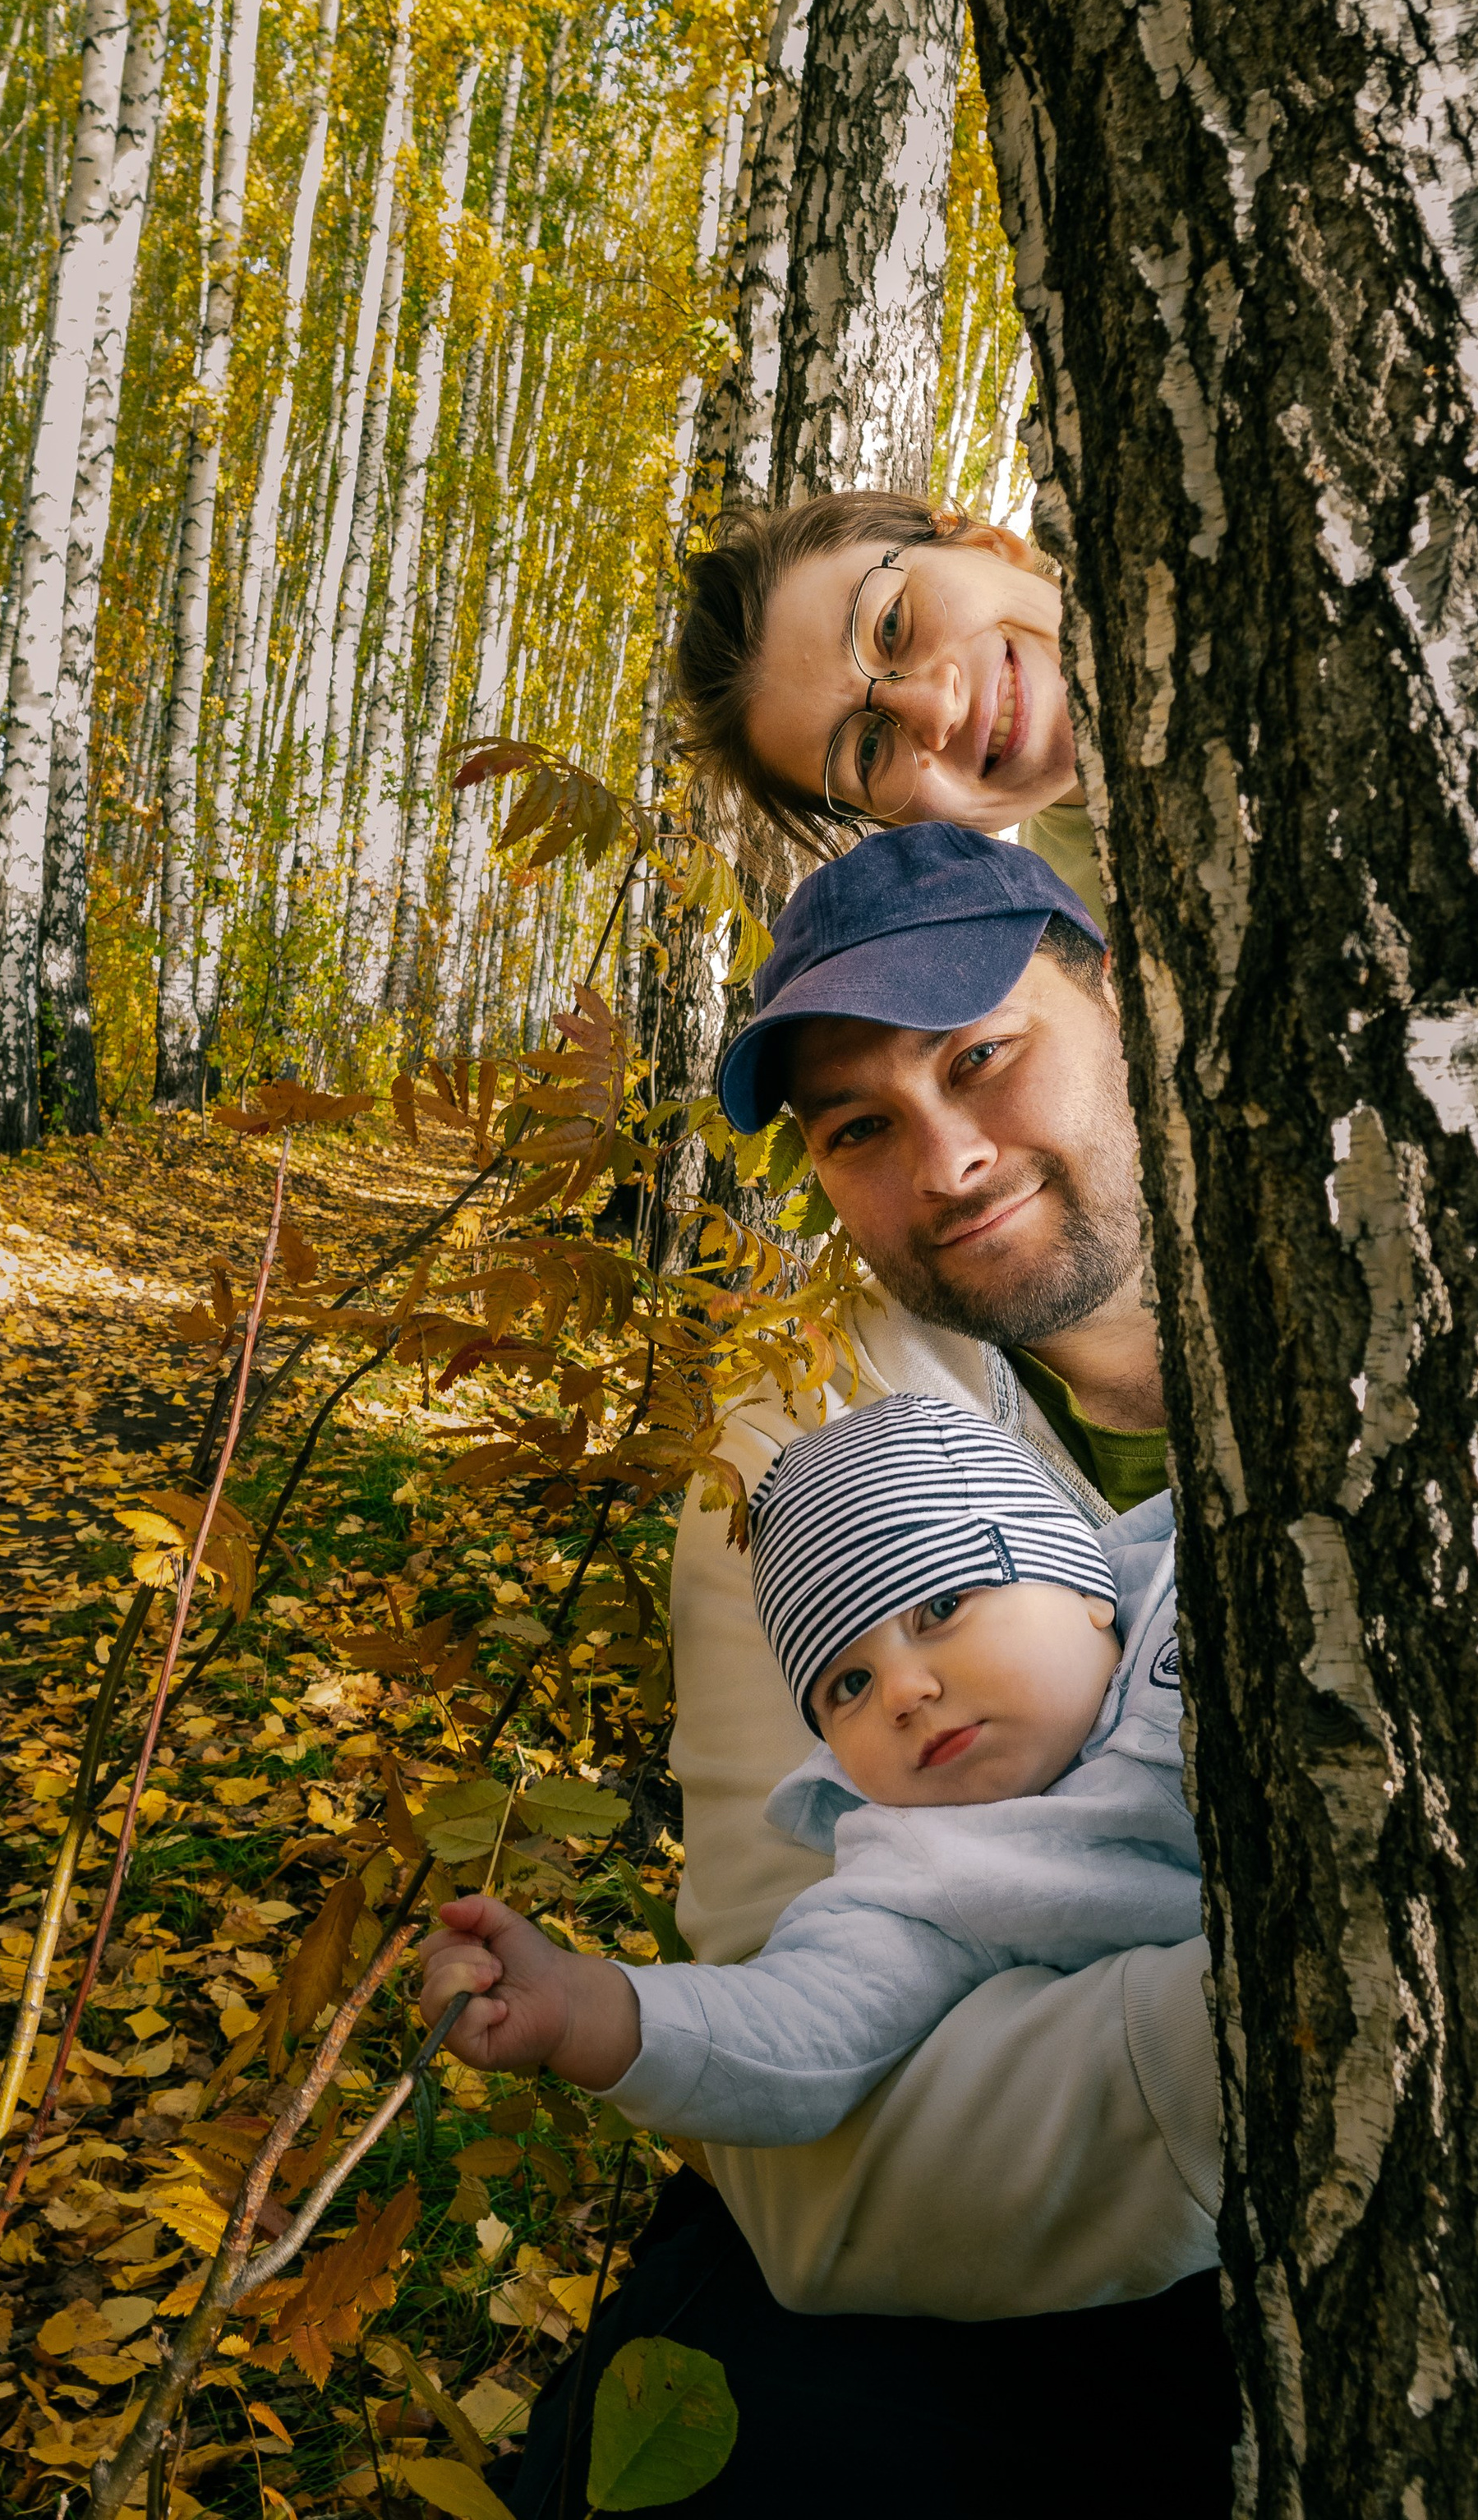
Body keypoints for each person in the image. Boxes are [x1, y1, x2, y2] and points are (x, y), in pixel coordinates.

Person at [498, 827, 1231, 2516]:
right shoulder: (787, 1456)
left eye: (981, 1057)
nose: (948, 1162)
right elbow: (816, 2175)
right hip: (989, 2267)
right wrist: (1254, 2048)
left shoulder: (1414, 1306)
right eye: (859, 1129)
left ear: (1124, 1004)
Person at [421, 1396, 1199, 2145]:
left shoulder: (1209, 1589)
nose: (901, 1693)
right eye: (847, 1685)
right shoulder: (924, 1873)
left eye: (941, 1608)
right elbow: (802, 2026)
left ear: (1085, 1587)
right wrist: (579, 2008)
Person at [673, 489, 1107, 924]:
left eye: (891, 625)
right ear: (903, 826)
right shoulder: (1092, 960)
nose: (938, 708)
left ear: (985, 545)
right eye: (869, 751)